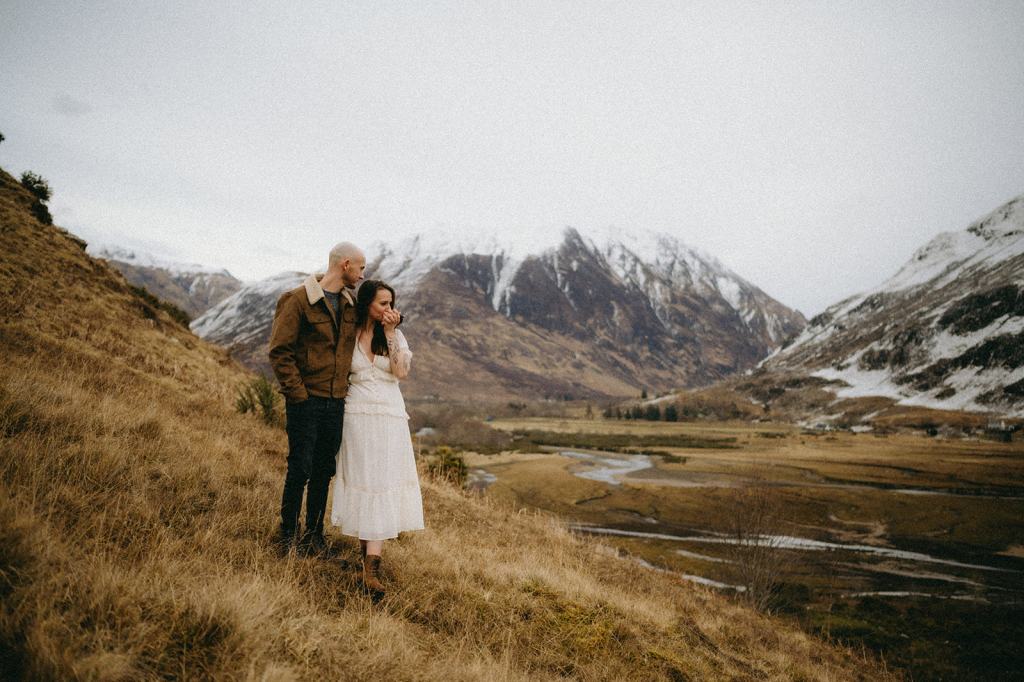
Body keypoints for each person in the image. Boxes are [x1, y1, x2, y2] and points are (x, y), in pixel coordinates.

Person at [269, 242, 366, 554]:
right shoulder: (297, 300)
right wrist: (298, 396)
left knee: (324, 471)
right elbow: (280, 352)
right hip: (306, 401)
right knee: (300, 469)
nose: (362, 275)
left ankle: (313, 536)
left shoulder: (351, 305)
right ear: (346, 264)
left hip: (336, 402)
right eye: (361, 268)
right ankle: (287, 537)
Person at [331, 279, 424, 595]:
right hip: (356, 416)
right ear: (367, 303)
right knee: (363, 482)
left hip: (389, 418)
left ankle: (372, 568)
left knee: (382, 483)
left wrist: (390, 333)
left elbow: (401, 372)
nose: (389, 309)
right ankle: (365, 559)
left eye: (391, 304)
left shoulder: (394, 336)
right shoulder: (351, 333)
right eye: (383, 304)